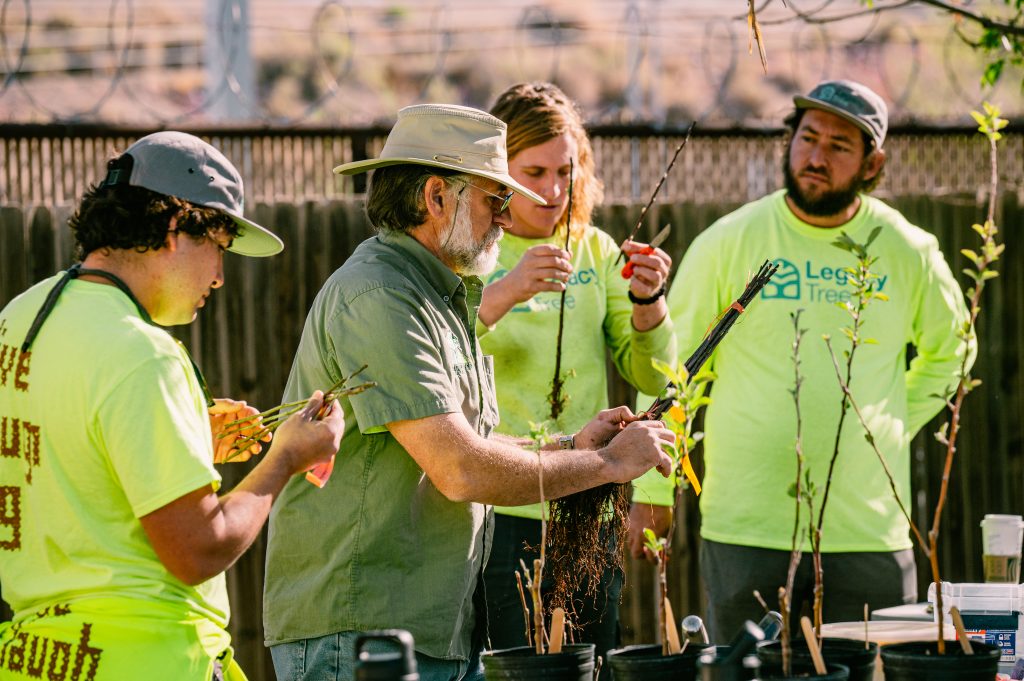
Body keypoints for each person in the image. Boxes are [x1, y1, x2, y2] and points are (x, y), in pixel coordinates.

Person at [263, 103, 675, 681]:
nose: (506, 218)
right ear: (436, 197)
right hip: (361, 632)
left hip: (424, 626)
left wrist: (571, 445)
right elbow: (458, 467)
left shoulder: (433, 291)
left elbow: (466, 439)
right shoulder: (379, 295)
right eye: (494, 199)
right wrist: (607, 464)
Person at [0, 131, 345, 681]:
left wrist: (185, 441)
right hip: (149, 660)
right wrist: (285, 458)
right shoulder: (144, 354)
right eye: (219, 247)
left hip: (34, 659)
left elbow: (60, 458)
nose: (220, 276)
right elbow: (197, 550)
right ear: (174, 227)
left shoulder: (20, 319)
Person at [649, 80, 973, 641]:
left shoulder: (908, 250)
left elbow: (955, 352)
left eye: (839, 146)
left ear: (873, 164)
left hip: (866, 532)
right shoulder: (730, 240)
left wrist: (889, 422)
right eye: (808, 138)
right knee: (744, 672)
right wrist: (651, 491)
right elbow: (674, 367)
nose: (816, 157)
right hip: (746, 528)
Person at [479, 82, 676, 671]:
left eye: (565, 172)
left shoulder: (595, 249)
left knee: (592, 665)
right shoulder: (471, 252)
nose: (552, 190)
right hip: (499, 503)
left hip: (587, 502)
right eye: (534, 172)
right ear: (497, 172)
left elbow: (647, 369)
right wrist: (509, 288)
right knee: (512, 669)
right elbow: (441, 349)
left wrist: (649, 301)